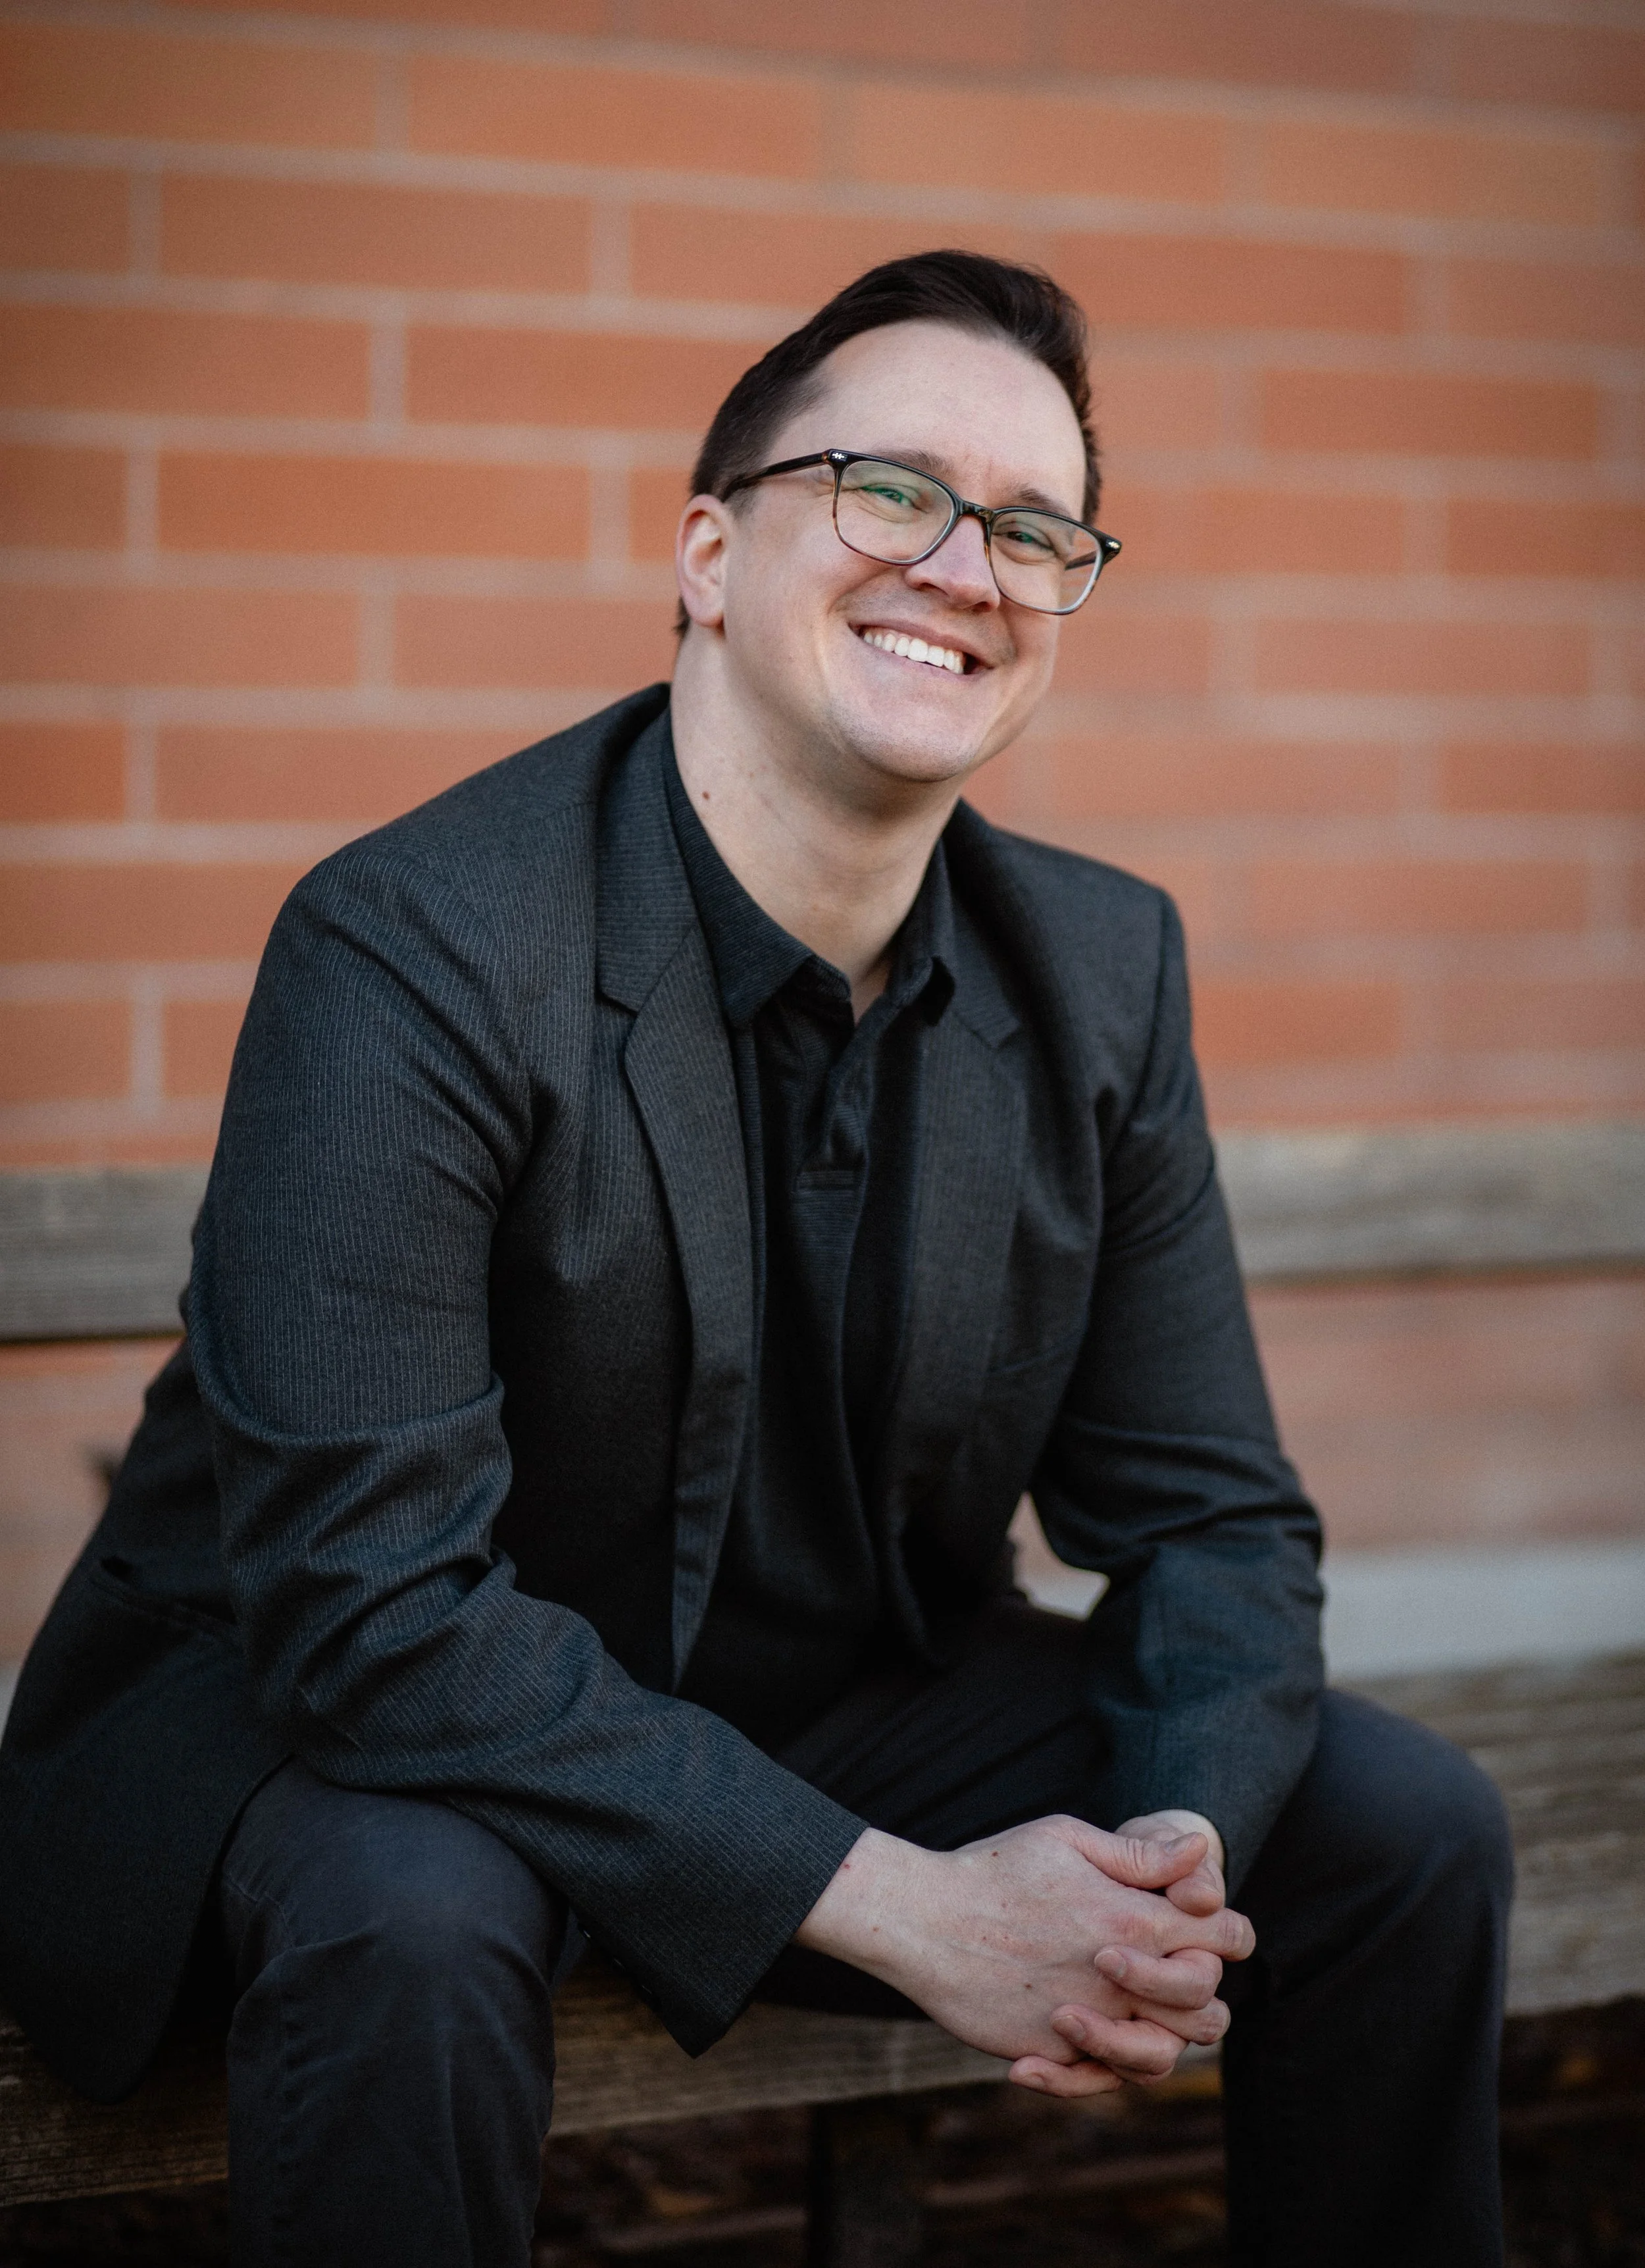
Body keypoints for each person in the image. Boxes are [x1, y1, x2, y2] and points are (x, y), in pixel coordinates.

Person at [0, 252, 1511, 2266]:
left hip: (829, 1699)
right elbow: (365, 1608)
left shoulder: (1101, 969)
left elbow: (1217, 1520)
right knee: (414, 1916)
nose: (965, 568)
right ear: (709, 554)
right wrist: (911, 1901)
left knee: (1398, 1831)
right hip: (341, 1722)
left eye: (1037, 530)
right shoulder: (413, 948)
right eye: (891, 493)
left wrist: (1163, 1863)